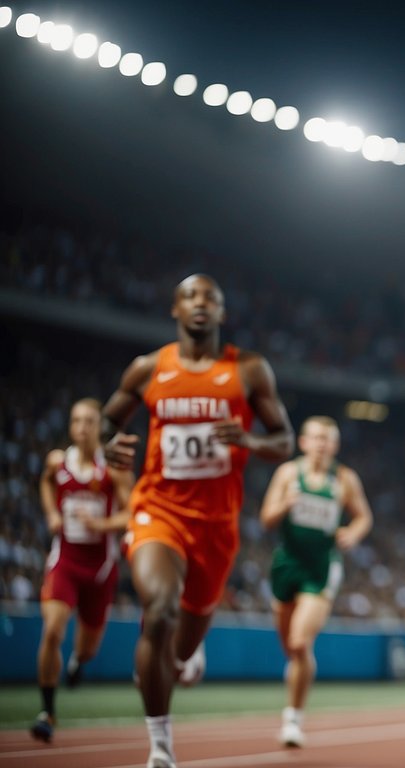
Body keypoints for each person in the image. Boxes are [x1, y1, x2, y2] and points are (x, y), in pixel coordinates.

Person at [103, 274, 294, 768]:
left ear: (222, 312)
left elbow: (283, 441)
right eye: (190, 295)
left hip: (216, 525)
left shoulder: (249, 371)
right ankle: (160, 746)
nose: (200, 303)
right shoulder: (148, 369)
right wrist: (109, 445)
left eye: (210, 296)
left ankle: (184, 655)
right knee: (161, 610)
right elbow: (109, 421)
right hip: (157, 511)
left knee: (181, 645)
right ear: (175, 310)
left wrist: (248, 441)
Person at [259, 415, 373, 748]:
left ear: (335, 445)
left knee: (299, 643)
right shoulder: (288, 474)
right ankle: (297, 678)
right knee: (290, 648)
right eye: (316, 438)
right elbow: (266, 519)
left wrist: (352, 532)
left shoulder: (344, 479)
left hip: (321, 567)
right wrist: (285, 504)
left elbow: (364, 516)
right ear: (304, 442)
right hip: (286, 564)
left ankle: (293, 718)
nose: (322, 444)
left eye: (328, 439)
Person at [30, 398, 133, 743]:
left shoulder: (114, 469)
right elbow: (46, 483)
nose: (83, 427)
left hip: (101, 570)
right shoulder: (58, 462)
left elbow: (131, 513)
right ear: (71, 426)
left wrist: (102, 524)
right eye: (77, 421)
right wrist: (51, 513)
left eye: (90, 421)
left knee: (88, 648)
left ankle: (77, 661)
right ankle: (47, 712)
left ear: (100, 426)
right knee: (53, 631)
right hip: (66, 563)